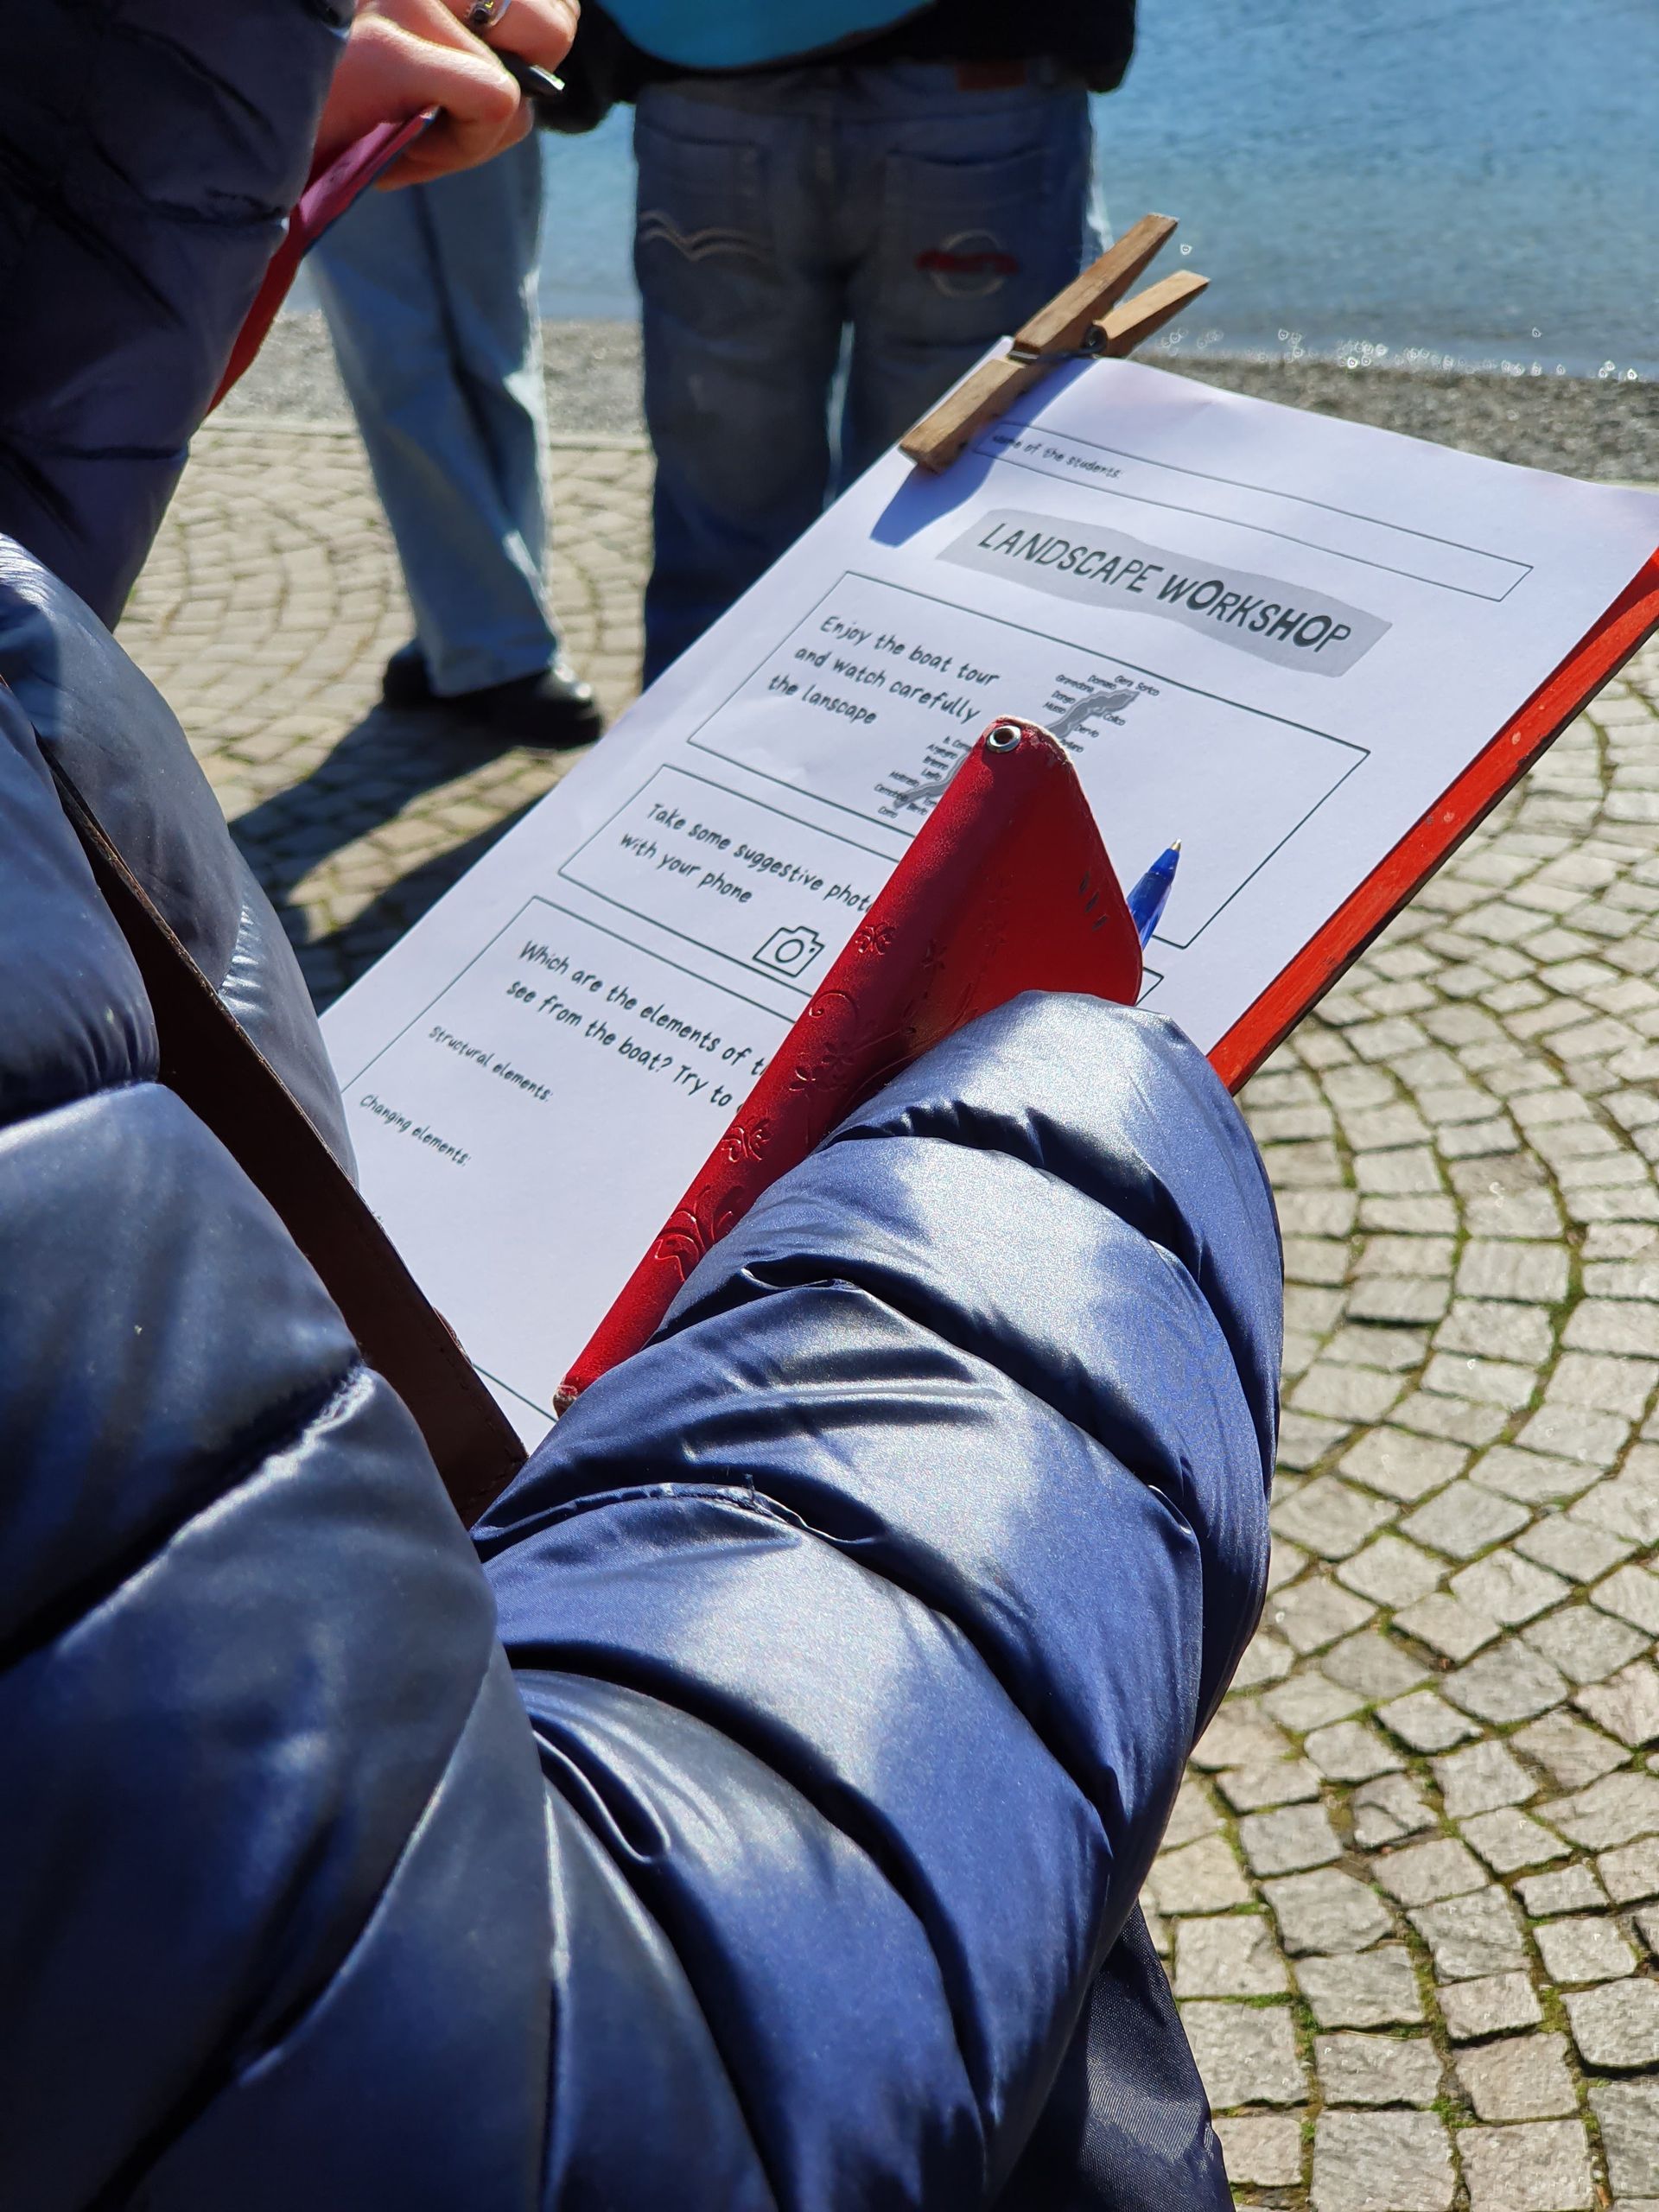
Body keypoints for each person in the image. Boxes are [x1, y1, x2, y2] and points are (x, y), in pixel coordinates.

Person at [0, 4, 1277, 2206]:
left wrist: (155, 71)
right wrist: (1082, 1153)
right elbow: (554, 2116)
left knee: (742, 559)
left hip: (718, 93)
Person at [565, 0, 1135, 681]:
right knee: (948, 504)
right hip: (985, 66)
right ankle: (922, 732)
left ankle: (685, 740)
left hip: (704, 70)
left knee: (722, 516)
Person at [311, 133, 605, 747]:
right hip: (336, 89)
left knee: (497, 353)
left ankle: (475, 627)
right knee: (393, 357)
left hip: (488, 78)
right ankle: (489, 639)